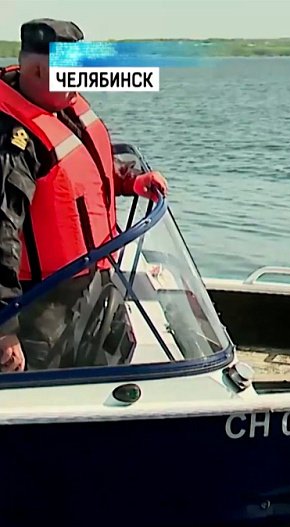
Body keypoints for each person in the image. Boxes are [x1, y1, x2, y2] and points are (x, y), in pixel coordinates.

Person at [0, 18, 168, 373]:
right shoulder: (13, 141)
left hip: (97, 283)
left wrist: (131, 180)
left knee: (114, 363)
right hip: (42, 302)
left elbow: (85, 172)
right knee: (46, 395)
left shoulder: (65, 106)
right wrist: (5, 328)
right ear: (35, 69)